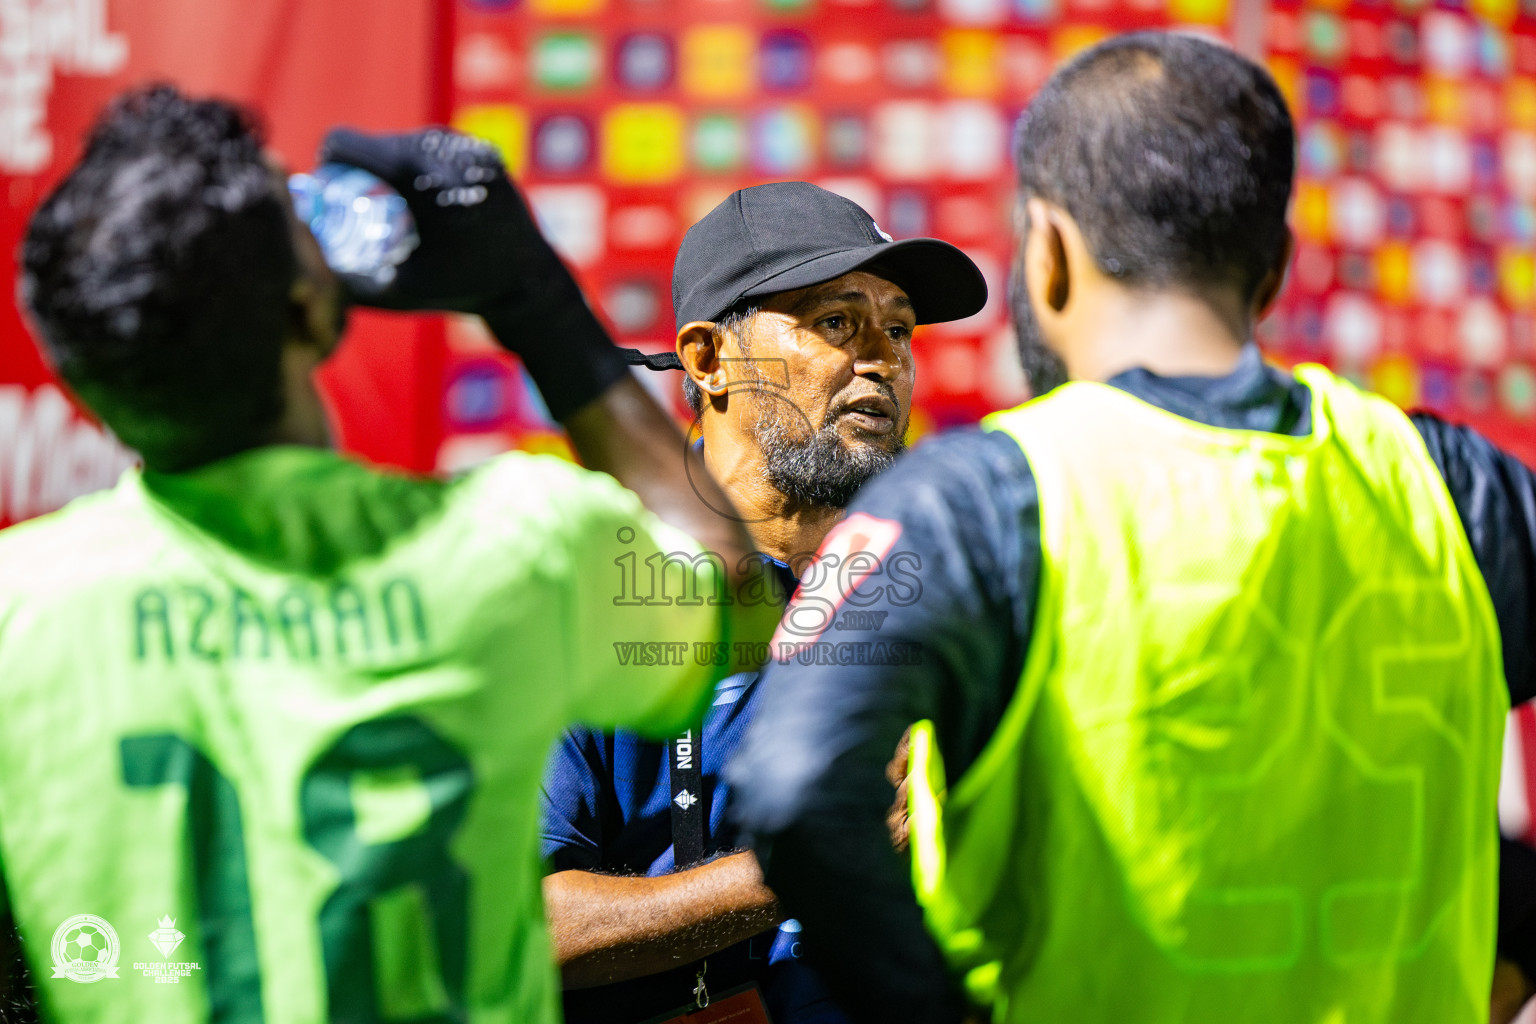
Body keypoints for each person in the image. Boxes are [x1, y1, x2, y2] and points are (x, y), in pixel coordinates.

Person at [727, 32, 1536, 1024]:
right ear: (1274, 268)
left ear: (1048, 254)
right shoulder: (1453, 485)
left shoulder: (975, 499)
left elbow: (794, 787)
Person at [0, 86, 775, 1023]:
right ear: (312, 311)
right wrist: (532, 297)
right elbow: (727, 592)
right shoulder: (504, 547)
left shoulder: (22, 607)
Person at [539, 181, 986, 1023]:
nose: (882, 360)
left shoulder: (948, 594)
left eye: (898, 330)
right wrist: (807, 861)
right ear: (708, 360)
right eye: (836, 322)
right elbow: (518, 925)